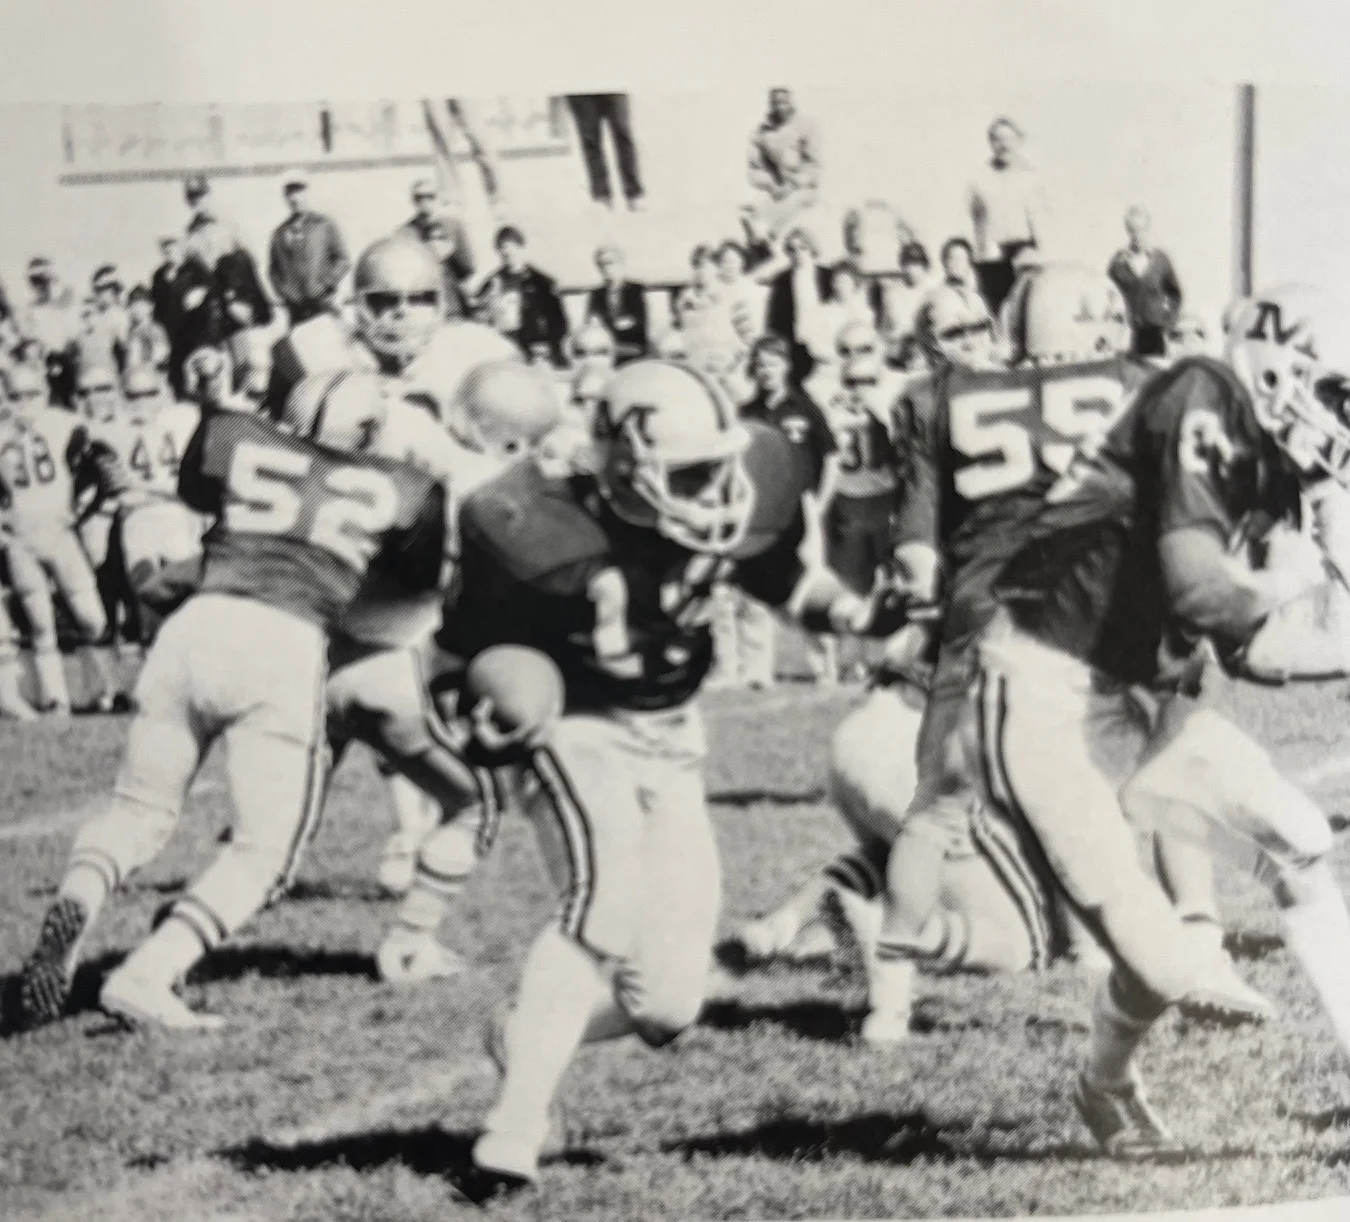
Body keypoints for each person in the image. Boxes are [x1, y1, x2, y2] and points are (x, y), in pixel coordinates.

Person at [433, 359, 903, 1198]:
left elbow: (782, 576)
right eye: (690, 472)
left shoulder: (734, 485)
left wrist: (860, 615)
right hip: (571, 720)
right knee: (603, 898)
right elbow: (457, 652)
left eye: (718, 464)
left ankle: (524, 1028)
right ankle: (512, 1131)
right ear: (621, 466)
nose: (717, 486)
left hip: (670, 735)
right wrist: (479, 705)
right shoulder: (523, 520)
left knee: (668, 1007)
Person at [11, 370, 450, 1032]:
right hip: (285, 640)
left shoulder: (234, 434)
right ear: (370, 430)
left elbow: (197, 491)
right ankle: (148, 974)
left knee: (138, 809)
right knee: (264, 851)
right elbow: (405, 592)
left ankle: (79, 892)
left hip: (196, 625)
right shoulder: (405, 487)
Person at [0, 361, 123, 714]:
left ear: (46, 393)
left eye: (31, 394)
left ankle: (105, 688)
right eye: (15, 396)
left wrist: (87, 512)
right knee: (40, 624)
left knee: (92, 618)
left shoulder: (66, 424)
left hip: (60, 534)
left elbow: (107, 469)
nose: (23, 403)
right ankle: (56, 700)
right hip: (21, 538)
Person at [968, 118, 1048, 315]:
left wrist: (1041, 253)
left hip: (1024, 254)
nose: (1003, 145)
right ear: (990, 143)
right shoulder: (980, 178)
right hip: (992, 257)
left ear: (1018, 142)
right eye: (997, 139)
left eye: (1008, 139)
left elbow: (1041, 218)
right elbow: (972, 219)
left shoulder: (1031, 177)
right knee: (994, 311)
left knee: (1028, 311)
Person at [267, 168, 351, 326]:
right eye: (290, 193)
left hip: (322, 304)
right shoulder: (279, 233)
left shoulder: (324, 225)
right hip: (295, 310)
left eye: (299, 192)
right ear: (285, 197)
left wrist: (324, 284)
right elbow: (273, 270)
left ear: (307, 193)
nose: (295, 198)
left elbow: (343, 260)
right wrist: (285, 292)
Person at [475, 227, 568, 368]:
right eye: (502, 250)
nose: (507, 254)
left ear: (521, 248)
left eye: (511, 249)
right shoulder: (494, 281)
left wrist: (550, 344)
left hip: (535, 347)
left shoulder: (541, 282)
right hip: (504, 345)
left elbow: (559, 321)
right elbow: (478, 311)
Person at [1107, 205, 1183, 358]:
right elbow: (1108, 295)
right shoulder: (1118, 264)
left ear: (1148, 229)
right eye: (1133, 230)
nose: (1137, 235)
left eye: (1141, 229)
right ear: (1128, 231)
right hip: (1129, 334)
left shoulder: (1160, 260)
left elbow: (1175, 294)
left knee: (1156, 376)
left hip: (1156, 333)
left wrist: (1168, 322)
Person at [763, 225, 834, 386]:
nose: (798, 253)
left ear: (812, 249)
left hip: (826, 345)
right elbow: (774, 320)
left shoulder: (829, 276)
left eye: (803, 248)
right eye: (792, 249)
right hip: (795, 346)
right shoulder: (782, 280)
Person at [747, 88, 821, 239]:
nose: (780, 107)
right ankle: (760, 248)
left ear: (790, 103)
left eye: (783, 103)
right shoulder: (760, 132)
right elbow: (755, 167)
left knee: (786, 219)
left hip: (801, 188)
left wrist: (794, 183)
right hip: (774, 190)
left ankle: (774, 240)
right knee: (747, 212)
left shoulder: (806, 127)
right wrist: (771, 185)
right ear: (770, 105)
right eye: (775, 103)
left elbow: (813, 164)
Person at [397, 179, 475, 319]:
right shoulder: (404, 233)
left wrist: (451, 253)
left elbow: (468, 268)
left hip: (451, 302)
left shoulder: (454, 226)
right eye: (420, 197)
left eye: (430, 196)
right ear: (413, 200)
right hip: (419, 303)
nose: (425, 201)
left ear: (438, 197)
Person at [565, 93, 646, 212]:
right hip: (580, 87)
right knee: (590, 137)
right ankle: (601, 194)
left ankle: (633, 193)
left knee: (622, 131)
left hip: (612, 83)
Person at [583, 245, 648, 364]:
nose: (606, 268)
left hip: (632, 346)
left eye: (610, 262)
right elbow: (591, 322)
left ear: (621, 263)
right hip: (605, 347)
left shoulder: (635, 290)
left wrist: (610, 325)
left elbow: (639, 321)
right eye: (601, 264)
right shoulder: (596, 294)